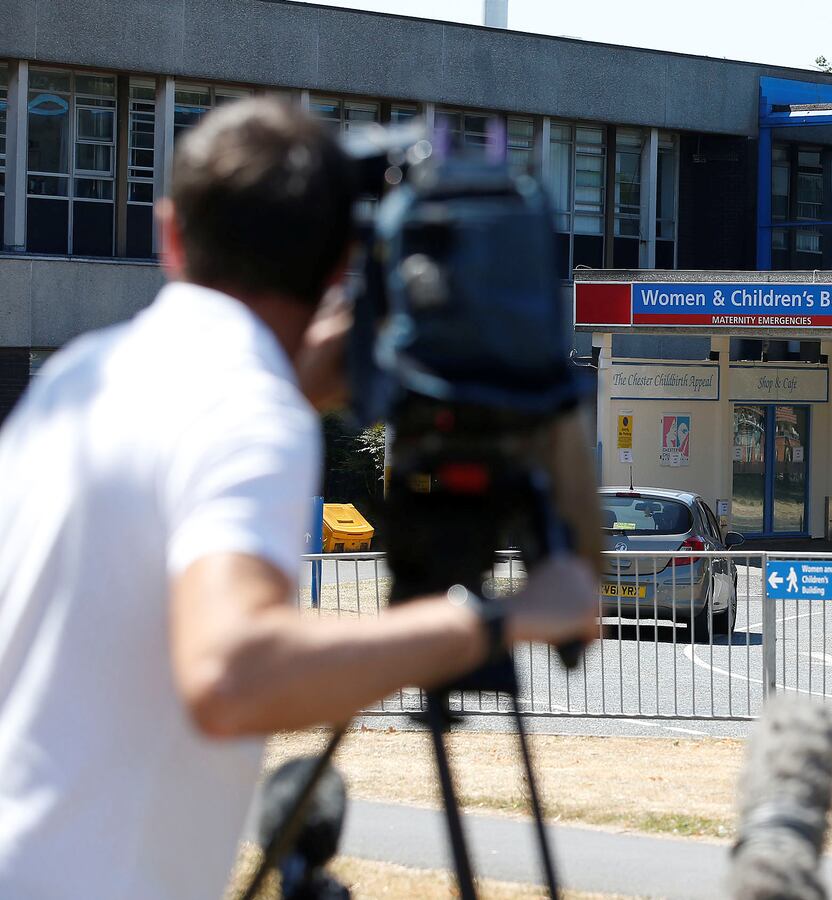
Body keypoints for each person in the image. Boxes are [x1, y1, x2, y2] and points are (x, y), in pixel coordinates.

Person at [0, 99, 599, 899]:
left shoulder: (77, 376)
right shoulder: (248, 411)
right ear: (344, 260)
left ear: (171, 233)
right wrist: (499, 619)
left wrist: (286, 387)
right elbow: (231, 675)